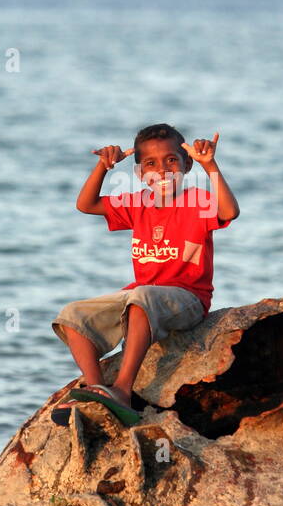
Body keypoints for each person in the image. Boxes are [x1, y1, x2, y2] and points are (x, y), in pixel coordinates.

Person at [51, 122, 239, 423]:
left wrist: (210, 165)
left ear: (186, 164)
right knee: (73, 316)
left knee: (140, 298)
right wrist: (103, 167)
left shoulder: (198, 201)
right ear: (139, 173)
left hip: (188, 298)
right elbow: (86, 204)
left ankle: (123, 390)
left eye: (171, 161)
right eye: (150, 164)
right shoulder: (139, 203)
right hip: (142, 292)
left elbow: (229, 212)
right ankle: (97, 388)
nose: (162, 170)